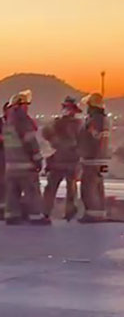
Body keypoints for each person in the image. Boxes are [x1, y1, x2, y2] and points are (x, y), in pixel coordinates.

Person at [3, 90, 51, 225]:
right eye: (25, 105)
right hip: (25, 165)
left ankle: (12, 216)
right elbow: (30, 142)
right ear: (20, 106)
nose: (27, 107)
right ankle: (36, 216)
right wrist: (37, 159)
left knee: (12, 192)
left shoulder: (7, 122)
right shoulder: (22, 120)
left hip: (11, 166)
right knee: (32, 191)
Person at [42, 96, 83, 221]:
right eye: (66, 108)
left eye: (69, 108)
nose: (67, 110)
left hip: (69, 161)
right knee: (52, 187)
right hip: (60, 161)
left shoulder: (78, 124)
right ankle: (45, 212)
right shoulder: (58, 123)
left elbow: (82, 142)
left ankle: (69, 213)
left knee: (70, 189)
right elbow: (46, 133)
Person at [78, 93, 110, 223]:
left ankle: (92, 214)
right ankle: (99, 212)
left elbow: (93, 138)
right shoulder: (103, 120)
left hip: (92, 160)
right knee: (98, 186)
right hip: (101, 159)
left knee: (88, 187)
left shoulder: (94, 121)